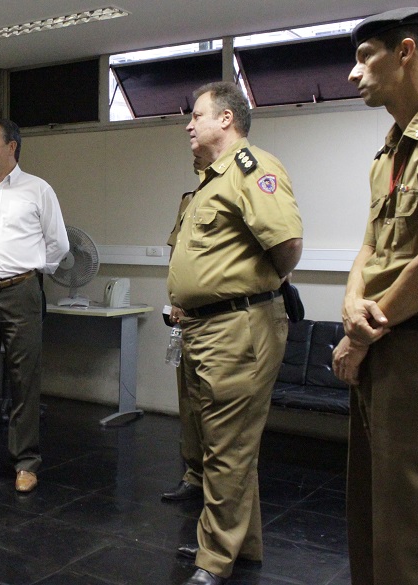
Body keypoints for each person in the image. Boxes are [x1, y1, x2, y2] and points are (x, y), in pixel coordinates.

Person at [332, 8, 418, 584]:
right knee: (374, 512)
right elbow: (370, 249)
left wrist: (362, 332)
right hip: (381, 343)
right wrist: (351, 306)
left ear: (405, 52)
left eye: (366, 57)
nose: (353, 73)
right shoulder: (390, 150)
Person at [168, 81, 303, 585]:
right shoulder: (210, 179)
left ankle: (213, 560)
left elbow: (287, 245)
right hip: (208, 327)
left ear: (226, 120)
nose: (188, 123)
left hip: (238, 326)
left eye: (197, 114)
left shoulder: (253, 169)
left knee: (226, 449)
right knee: (224, 446)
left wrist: (254, 289)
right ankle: (240, 546)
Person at [0, 118, 69, 493]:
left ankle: (25, 462)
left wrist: (31, 276)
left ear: (12, 147)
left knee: (24, 379)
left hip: (21, 291)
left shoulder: (39, 190)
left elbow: (58, 245)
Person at [161, 190, 204, 503]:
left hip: (221, 318)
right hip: (186, 316)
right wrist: (175, 299)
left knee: (212, 408)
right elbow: (177, 255)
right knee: (188, 402)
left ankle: (218, 487)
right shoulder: (189, 200)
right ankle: (194, 475)